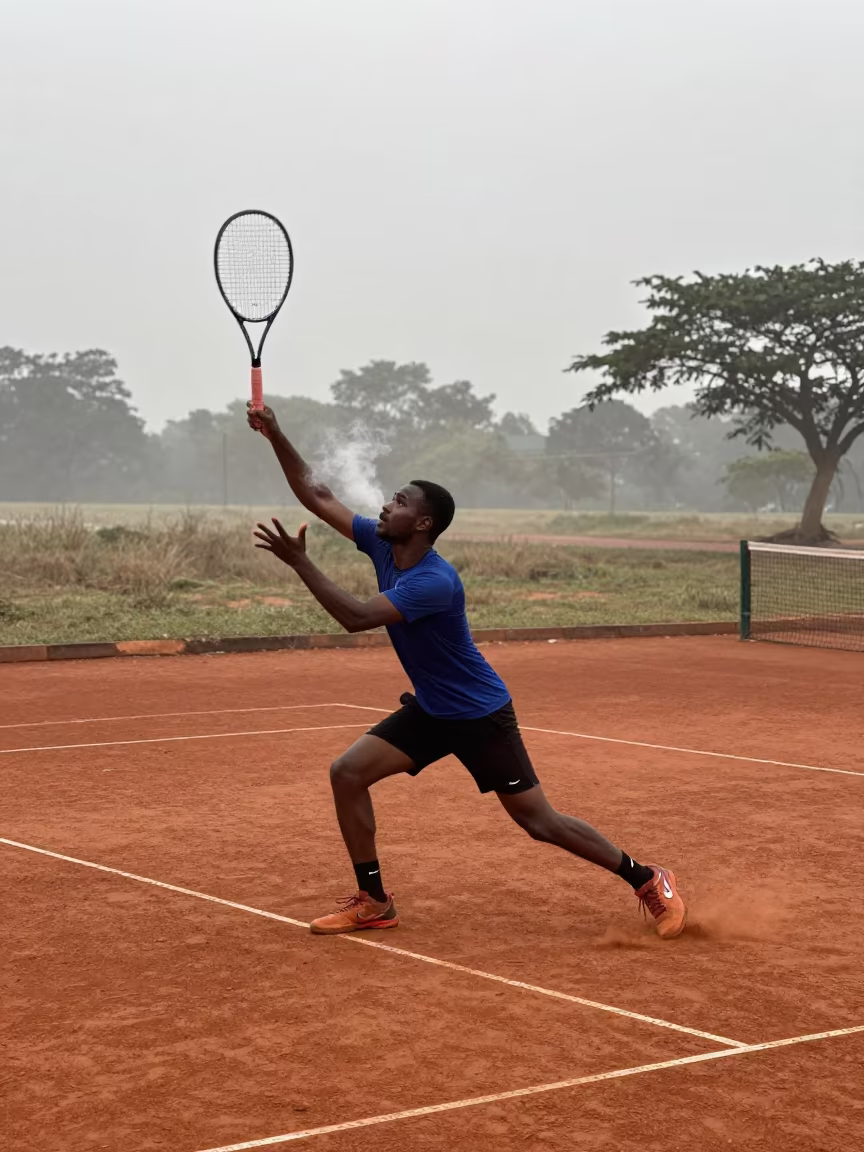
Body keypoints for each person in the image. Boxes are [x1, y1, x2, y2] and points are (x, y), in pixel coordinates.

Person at [248, 403, 687, 939]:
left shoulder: (433, 581)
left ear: (424, 523)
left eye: (399, 501)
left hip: (479, 715)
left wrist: (302, 563)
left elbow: (357, 617)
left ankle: (648, 878)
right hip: (433, 709)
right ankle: (374, 901)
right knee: (347, 773)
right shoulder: (384, 546)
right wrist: (275, 434)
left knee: (538, 822)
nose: (385, 506)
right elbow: (318, 496)